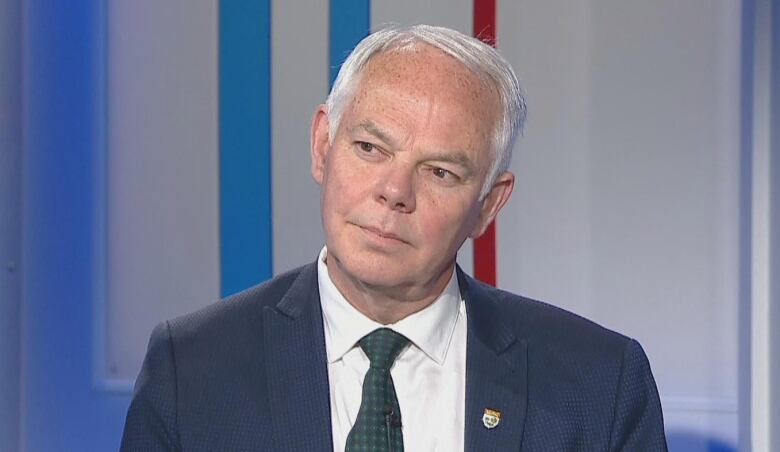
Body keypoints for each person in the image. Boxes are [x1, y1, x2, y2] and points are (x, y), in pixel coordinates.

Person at [121, 24, 667, 451]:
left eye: (440, 173)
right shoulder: (191, 369)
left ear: (489, 204)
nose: (393, 192)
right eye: (369, 149)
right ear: (321, 145)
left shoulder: (598, 385)